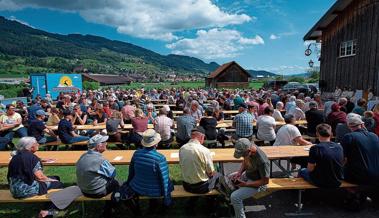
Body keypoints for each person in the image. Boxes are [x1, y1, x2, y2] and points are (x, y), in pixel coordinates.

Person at [7, 137, 63, 217]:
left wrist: (41, 160)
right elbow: (40, 177)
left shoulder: (16, 156)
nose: (38, 144)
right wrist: (53, 181)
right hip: (24, 190)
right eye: (36, 143)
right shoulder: (32, 158)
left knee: (56, 177)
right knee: (59, 184)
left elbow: (25, 162)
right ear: (31, 147)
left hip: (13, 188)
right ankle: (47, 210)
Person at [126, 129, 174, 213]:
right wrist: (167, 199)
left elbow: (131, 172)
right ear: (156, 143)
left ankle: (153, 204)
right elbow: (164, 180)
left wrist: (129, 184)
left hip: (138, 187)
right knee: (168, 180)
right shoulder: (160, 158)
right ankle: (154, 205)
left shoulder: (136, 153)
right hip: (154, 190)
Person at [76, 134, 119, 216]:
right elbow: (113, 174)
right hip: (96, 192)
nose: (106, 143)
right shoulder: (100, 160)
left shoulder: (83, 156)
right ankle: (109, 209)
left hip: (83, 190)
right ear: (98, 146)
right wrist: (113, 167)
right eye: (104, 142)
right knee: (116, 183)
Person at [227, 138, 270, 218]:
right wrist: (239, 173)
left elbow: (265, 181)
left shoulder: (262, 161)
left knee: (235, 197)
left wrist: (246, 184)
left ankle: (239, 214)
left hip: (258, 184)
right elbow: (245, 161)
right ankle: (236, 205)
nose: (242, 156)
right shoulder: (248, 149)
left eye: (243, 155)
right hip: (248, 175)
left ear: (249, 151)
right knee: (229, 178)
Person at [299, 124, 344, 188]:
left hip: (321, 181)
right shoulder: (339, 147)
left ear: (317, 134)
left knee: (302, 170)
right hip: (337, 180)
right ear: (331, 134)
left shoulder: (315, 148)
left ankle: (302, 193)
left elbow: (310, 169)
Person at [179, 126, 221, 194]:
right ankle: (217, 199)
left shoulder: (182, 148)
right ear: (202, 137)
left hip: (186, 186)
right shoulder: (204, 150)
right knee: (219, 176)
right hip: (201, 188)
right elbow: (211, 173)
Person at [341, 113, 379, 186]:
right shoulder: (374, 136)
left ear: (349, 126)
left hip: (359, 177)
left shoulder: (349, 137)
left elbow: (343, 159)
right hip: (377, 175)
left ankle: (352, 193)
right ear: (362, 125)